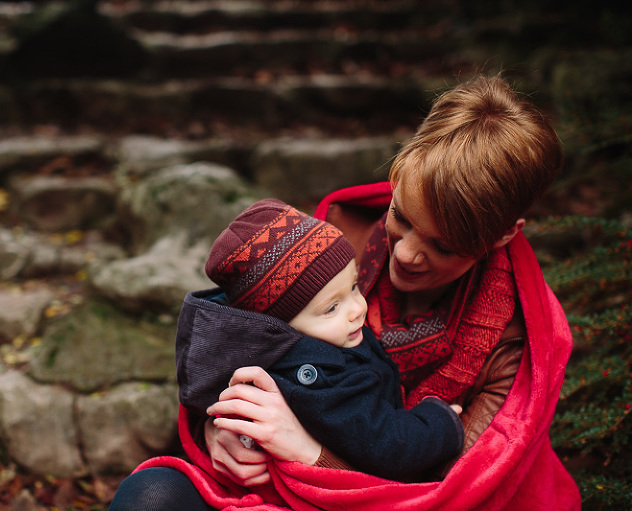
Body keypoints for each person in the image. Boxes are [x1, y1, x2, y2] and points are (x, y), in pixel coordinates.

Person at [109, 74, 581, 510]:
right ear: (397, 183)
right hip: (273, 487)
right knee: (150, 497)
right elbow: (240, 340)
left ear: (501, 235)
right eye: (402, 218)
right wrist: (223, 429)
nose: (408, 254)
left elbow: (452, 485)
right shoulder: (328, 244)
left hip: (395, 500)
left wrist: (310, 454)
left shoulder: (518, 343)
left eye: (442, 246)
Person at [177, 198, 463, 482]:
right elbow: (389, 445)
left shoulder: (328, 339)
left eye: (354, 286)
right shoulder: (321, 380)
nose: (357, 308)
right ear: (281, 327)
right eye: (331, 308)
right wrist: (440, 421)